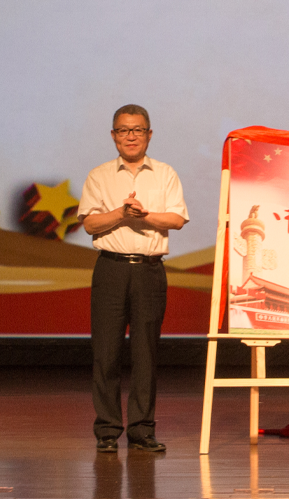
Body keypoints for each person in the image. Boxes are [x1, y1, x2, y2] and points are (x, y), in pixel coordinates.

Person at [78, 104, 189, 452]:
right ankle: (107, 431)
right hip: (110, 269)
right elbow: (90, 224)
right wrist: (120, 213)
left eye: (137, 130)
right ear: (113, 136)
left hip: (149, 270)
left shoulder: (165, 173)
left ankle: (142, 430)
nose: (131, 136)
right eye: (124, 130)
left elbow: (176, 219)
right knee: (106, 353)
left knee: (145, 353)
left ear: (149, 134)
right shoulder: (99, 175)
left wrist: (143, 215)